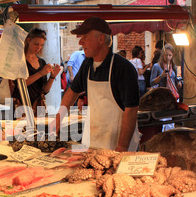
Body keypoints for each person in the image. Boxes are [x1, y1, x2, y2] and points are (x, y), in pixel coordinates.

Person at [51, 16, 140, 151]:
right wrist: (58, 118)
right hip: (93, 142)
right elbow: (72, 91)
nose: (80, 42)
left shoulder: (123, 68)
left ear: (101, 39)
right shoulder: (87, 64)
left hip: (118, 145)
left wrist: (121, 147)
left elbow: (131, 111)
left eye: (85, 37)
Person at [9, 28, 61, 115]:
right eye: (36, 44)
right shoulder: (19, 60)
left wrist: (52, 77)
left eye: (41, 45)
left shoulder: (41, 62)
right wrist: (41, 73)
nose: (38, 47)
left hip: (38, 107)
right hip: (20, 106)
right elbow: (20, 85)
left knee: (40, 128)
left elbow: (44, 90)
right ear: (28, 40)